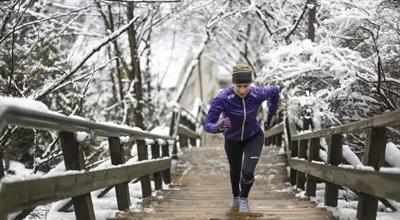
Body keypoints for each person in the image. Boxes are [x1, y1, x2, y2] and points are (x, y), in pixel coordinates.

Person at [203, 64, 280, 212]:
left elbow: (275, 91)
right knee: (235, 170)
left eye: (246, 86)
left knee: (247, 171)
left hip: (254, 136)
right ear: (233, 84)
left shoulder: (257, 94)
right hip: (232, 139)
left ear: (250, 84)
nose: (242, 90)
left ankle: (244, 198)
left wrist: (272, 112)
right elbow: (207, 124)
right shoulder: (223, 98)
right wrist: (218, 127)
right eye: (238, 86)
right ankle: (236, 197)